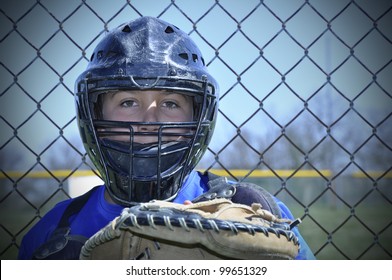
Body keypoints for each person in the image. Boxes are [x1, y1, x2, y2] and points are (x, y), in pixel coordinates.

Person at [18, 16, 315, 260]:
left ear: (196, 118)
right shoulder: (52, 234)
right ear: (95, 114)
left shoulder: (254, 212)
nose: (149, 120)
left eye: (170, 103)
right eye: (128, 102)